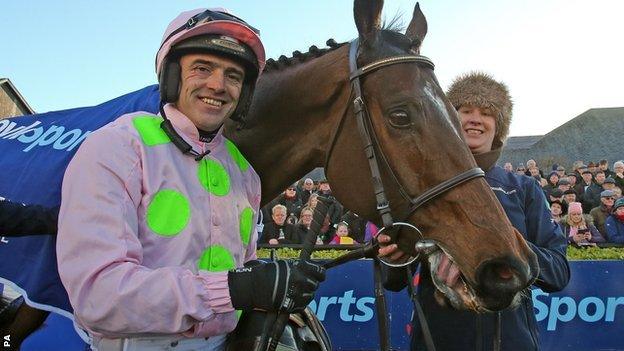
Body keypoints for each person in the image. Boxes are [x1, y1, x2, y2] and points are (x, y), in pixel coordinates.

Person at [55, 8, 325, 351]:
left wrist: (271, 280)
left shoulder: (246, 174)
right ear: (171, 76)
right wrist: (237, 288)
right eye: (202, 68)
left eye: (233, 75)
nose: (218, 85)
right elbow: (99, 295)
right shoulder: (117, 147)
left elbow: (238, 270)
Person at [378, 72, 570, 351]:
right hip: (437, 341)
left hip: (513, 342)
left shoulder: (524, 188)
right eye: (465, 110)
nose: (475, 119)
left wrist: (508, 247)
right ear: (448, 121)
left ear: (499, 126)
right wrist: (397, 255)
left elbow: (559, 273)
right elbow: (393, 280)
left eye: (487, 113)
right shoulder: (420, 188)